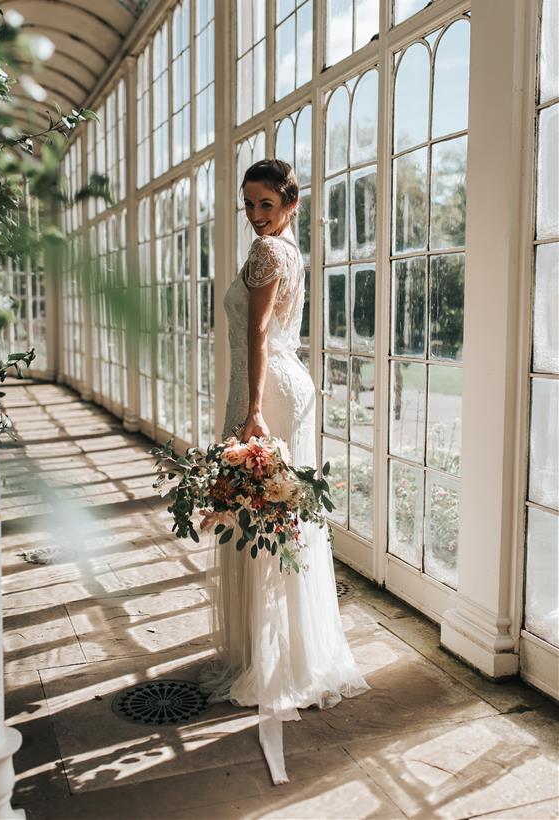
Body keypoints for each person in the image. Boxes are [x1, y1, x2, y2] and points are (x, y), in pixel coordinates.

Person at [200, 159, 370, 784]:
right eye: (248, 205)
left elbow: (259, 333)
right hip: (278, 384)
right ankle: (277, 651)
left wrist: (249, 412)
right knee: (275, 520)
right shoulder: (283, 249)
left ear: (290, 204)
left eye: (265, 204)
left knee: (264, 520)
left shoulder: (270, 253)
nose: (255, 215)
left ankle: (275, 660)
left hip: (266, 390)